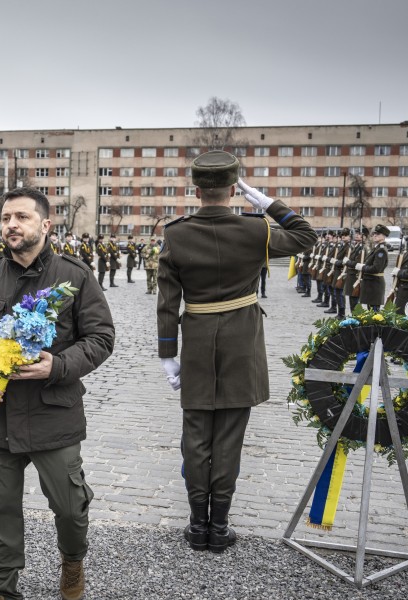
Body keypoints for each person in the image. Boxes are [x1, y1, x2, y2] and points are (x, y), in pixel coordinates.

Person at [0, 187, 114, 600]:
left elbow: (102, 336)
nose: (11, 225)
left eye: (22, 217)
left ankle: (72, 557)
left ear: (46, 225)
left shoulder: (74, 275)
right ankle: (5, 599)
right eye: (6, 218)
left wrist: (58, 365)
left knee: (68, 505)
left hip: (54, 413)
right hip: (0, 417)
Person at [157, 151, 315, 555]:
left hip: (194, 341)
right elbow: (305, 237)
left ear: (196, 191)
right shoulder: (254, 230)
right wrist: (268, 204)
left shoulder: (176, 233)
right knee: (229, 435)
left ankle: (196, 525)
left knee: (195, 436)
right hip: (241, 344)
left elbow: (166, 301)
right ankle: (219, 525)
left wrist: (167, 353)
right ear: (233, 190)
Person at [358, 225, 389, 311]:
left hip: (375, 284)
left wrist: (363, 267)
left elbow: (376, 268)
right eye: (374, 234)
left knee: (374, 313)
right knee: (371, 310)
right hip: (371, 284)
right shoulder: (376, 248)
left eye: (378, 234)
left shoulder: (381, 250)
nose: (375, 235)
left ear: (384, 236)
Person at [342, 226, 367, 315]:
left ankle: (356, 320)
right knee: (352, 302)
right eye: (356, 233)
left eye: (359, 234)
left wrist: (348, 262)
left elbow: (358, 263)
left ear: (365, 237)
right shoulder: (357, 246)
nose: (357, 235)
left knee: (355, 303)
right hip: (351, 276)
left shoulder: (363, 248)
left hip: (356, 277)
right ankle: (354, 319)